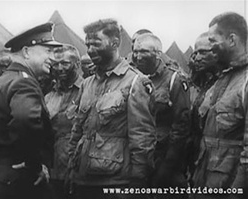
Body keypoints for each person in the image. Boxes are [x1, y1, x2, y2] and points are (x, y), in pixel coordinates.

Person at [67, 19, 156, 199]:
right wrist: (71, 167)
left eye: (96, 43)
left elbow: (142, 138)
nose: (90, 50)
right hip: (83, 179)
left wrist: (138, 182)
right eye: (88, 45)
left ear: (115, 43)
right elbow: (77, 130)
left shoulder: (135, 82)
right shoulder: (87, 84)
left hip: (116, 182)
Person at [0, 22, 62, 199]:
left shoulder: (3, 80)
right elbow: (26, 120)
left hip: (2, 173)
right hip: (20, 176)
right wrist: (33, 163)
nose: (53, 58)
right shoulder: (24, 82)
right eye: (48, 51)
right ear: (27, 52)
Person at [192, 12, 248, 199]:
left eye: (213, 40)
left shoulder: (245, 81)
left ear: (232, 39)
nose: (211, 46)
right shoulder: (222, 79)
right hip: (206, 181)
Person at [133, 33, 190, 198]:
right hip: (139, 158)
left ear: (158, 53)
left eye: (143, 51)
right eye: (135, 51)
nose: (137, 56)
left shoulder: (175, 80)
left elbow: (182, 126)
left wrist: (167, 165)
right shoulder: (134, 79)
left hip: (164, 158)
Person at [45, 44, 84, 199]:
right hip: (52, 166)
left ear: (77, 65)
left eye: (65, 64)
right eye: (56, 64)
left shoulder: (88, 90)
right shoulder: (49, 95)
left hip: (79, 168)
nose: (60, 68)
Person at [186, 32, 221, 181]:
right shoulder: (196, 82)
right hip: (195, 154)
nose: (197, 58)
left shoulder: (229, 84)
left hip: (218, 159)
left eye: (202, 52)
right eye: (195, 53)